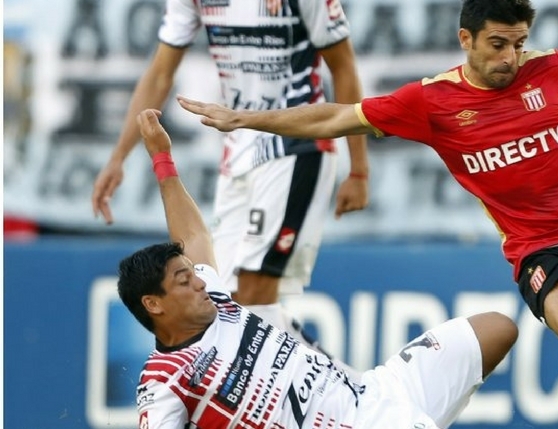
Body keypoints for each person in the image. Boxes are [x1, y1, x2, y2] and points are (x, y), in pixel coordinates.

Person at [178, 1, 558, 428]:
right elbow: (333, 118)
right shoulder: (433, 103)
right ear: (466, 40)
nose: (511, 57)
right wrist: (247, 119)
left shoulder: (557, 70)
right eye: (498, 44)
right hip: (541, 248)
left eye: (519, 43)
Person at [119, 108, 517, 429]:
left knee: (497, 329)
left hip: (373, 392)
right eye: (184, 281)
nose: (200, 282)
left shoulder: (216, 301)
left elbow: (193, 236)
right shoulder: (165, 381)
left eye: (194, 273)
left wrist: (162, 159)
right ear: (154, 303)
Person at [90, 0, 370, 366]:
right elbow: (160, 72)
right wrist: (118, 157)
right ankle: (339, 381)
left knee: (254, 291)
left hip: (297, 144)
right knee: (220, 296)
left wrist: (358, 168)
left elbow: (343, 65)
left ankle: (329, 392)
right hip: (237, 146)